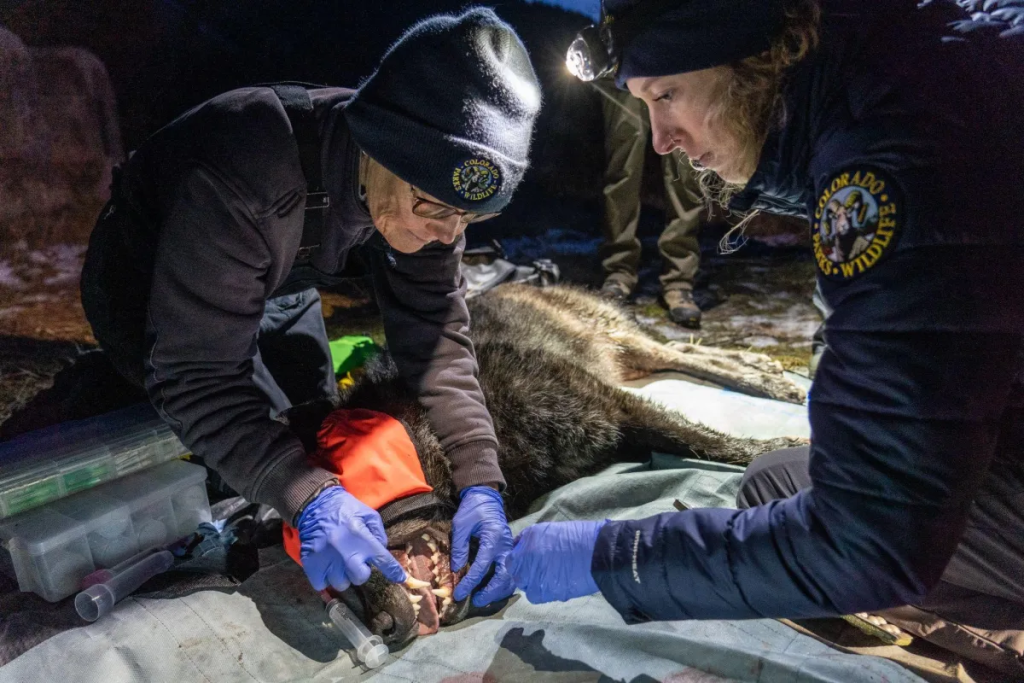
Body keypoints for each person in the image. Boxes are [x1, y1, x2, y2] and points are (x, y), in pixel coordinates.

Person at [501, 0, 1024, 674]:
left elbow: (866, 539)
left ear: (751, 58)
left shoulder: (900, 153)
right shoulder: (908, 66)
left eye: (668, 94)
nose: (661, 138)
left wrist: (613, 558)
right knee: (774, 485)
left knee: (855, 532)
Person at [80, 8, 541, 608]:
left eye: (472, 218)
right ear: (380, 148)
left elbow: (435, 338)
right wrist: (303, 492)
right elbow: (196, 377)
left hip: (282, 266)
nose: (447, 234)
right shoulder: (245, 175)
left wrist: (482, 479)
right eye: (434, 208)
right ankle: (96, 388)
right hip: (146, 278)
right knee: (239, 467)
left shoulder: (430, 195)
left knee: (315, 420)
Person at [594, 80, 704, 327]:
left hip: (676, 62)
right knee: (622, 167)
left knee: (685, 169)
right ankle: (618, 270)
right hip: (621, 63)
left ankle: (679, 280)